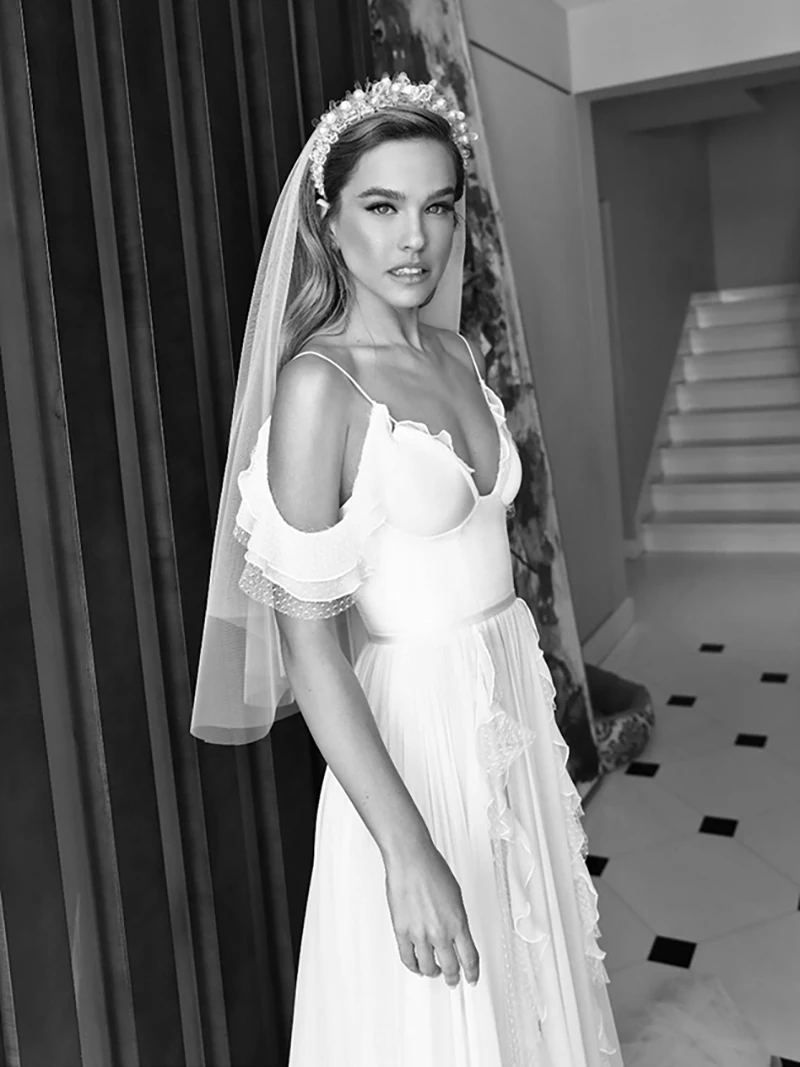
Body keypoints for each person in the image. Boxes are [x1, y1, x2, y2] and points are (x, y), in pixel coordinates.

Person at [191, 72, 623, 1066]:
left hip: (504, 716)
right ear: (329, 221)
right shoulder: (319, 387)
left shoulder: (456, 354)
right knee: (443, 1018)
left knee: (531, 979)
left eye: (437, 205)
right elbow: (310, 648)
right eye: (382, 207)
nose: (415, 238)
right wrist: (407, 846)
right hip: (412, 745)